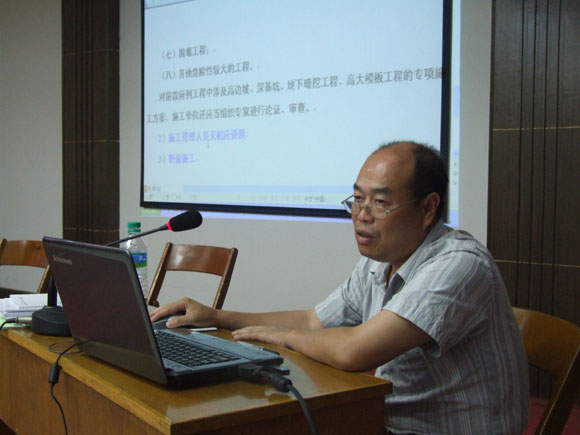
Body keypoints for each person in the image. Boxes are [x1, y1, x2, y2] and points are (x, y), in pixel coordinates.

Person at [150, 141, 530, 434]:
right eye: (358, 199)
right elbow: (315, 320)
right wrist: (218, 316)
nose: (362, 215)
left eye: (380, 202)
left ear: (428, 208)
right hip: (385, 421)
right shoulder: (380, 260)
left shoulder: (459, 264)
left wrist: (282, 338)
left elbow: (353, 351)